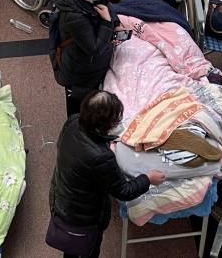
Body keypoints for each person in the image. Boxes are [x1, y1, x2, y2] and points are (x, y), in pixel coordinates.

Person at [48, 90, 166, 258]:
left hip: (61, 197)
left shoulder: (73, 122)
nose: (119, 123)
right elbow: (124, 191)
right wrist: (148, 178)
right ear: (103, 126)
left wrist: (106, 141)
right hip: (82, 216)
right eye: (116, 119)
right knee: (87, 249)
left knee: (70, 247)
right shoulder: (101, 158)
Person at [52, 0, 116, 117]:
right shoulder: (74, 17)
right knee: (81, 102)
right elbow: (94, 48)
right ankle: (77, 122)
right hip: (81, 69)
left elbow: (105, 3)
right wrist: (107, 23)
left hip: (84, 61)